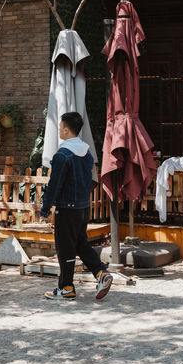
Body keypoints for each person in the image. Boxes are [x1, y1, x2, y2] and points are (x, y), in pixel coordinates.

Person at [40, 111, 113, 302]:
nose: (59, 130)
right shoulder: (86, 154)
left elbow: (55, 185)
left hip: (67, 208)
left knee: (65, 248)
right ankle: (101, 274)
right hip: (83, 208)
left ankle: (66, 288)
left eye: (60, 127)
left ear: (65, 129)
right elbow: (89, 181)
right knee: (80, 243)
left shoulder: (63, 155)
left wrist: (45, 209)